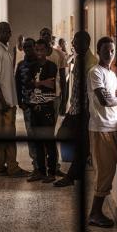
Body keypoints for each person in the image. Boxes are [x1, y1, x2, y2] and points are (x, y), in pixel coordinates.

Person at [54, 31, 97, 188]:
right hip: (76, 107)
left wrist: (82, 111)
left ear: (86, 43)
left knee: (78, 142)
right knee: (75, 140)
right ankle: (75, 173)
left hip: (84, 111)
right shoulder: (80, 58)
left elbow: (88, 91)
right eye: (73, 42)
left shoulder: (90, 63)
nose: (73, 45)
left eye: (76, 43)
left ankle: (72, 175)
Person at [87, 36, 117, 228]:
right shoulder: (95, 72)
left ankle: (96, 212)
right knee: (104, 172)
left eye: (112, 51)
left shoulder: (111, 74)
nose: (110, 54)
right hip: (101, 127)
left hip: (113, 124)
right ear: (98, 51)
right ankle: (94, 213)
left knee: (109, 169)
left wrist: (116, 99)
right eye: (106, 50)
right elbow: (105, 100)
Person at [0, 22, 30, 177]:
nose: (9, 34)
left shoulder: (4, 50)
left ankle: (3, 167)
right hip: (3, 105)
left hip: (8, 102)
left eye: (9, 31)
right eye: (6, 31)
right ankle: (9, 168)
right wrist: (3, 102)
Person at [25, 39, 59, 183]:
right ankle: (40, 171)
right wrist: (40, 83)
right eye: (37, 50)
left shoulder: (51, 66)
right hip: (35, 107)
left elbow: (51, 85)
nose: (39, 53)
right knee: (38, 141)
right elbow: (27, 84)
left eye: (42, 50)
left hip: (47, 107)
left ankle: (51, 172)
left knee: (49, 142)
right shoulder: (32, 66)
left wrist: (36, 83)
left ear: (47, 51)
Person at [40, 28, 67, 176]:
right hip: (39, 99)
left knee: (50, 132)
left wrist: (64, 99)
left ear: (51, 38)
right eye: (43, 34)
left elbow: (63, 78)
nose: (45, 36)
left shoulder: (59, 55)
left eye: (47, 35)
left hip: (54, 98)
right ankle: (41, 166)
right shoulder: (37, 55)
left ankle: (53, 166)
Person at [15, 38, 40, 177]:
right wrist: (20, 102)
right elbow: (17, 84)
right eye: (25, 47)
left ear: (35, 47)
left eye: (30, 47)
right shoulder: (21, 65)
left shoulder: (41, 63)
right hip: (28, 106)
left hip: (42, 106)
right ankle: (36, 165)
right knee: (31, 135)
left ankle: (49, 165)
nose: (27, 49)